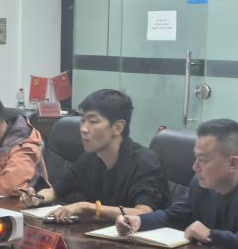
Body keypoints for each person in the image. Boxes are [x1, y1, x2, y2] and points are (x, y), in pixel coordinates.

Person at [116, 118, 238, 249]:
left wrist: (211, 235)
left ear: (233, 163)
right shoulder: (201, 183)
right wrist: (139, 221)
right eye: (195, 157)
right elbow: (173, 216)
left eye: (203, 160)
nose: (194, 167)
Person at [22, 89, 171, 223]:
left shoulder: (145, 162)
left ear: (118, 127)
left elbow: (144, 213)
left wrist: (89, 208)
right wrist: (37, 198)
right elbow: (55, 191)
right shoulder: (89, 159)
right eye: (82, 121)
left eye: (93, 121)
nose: (83, 129)